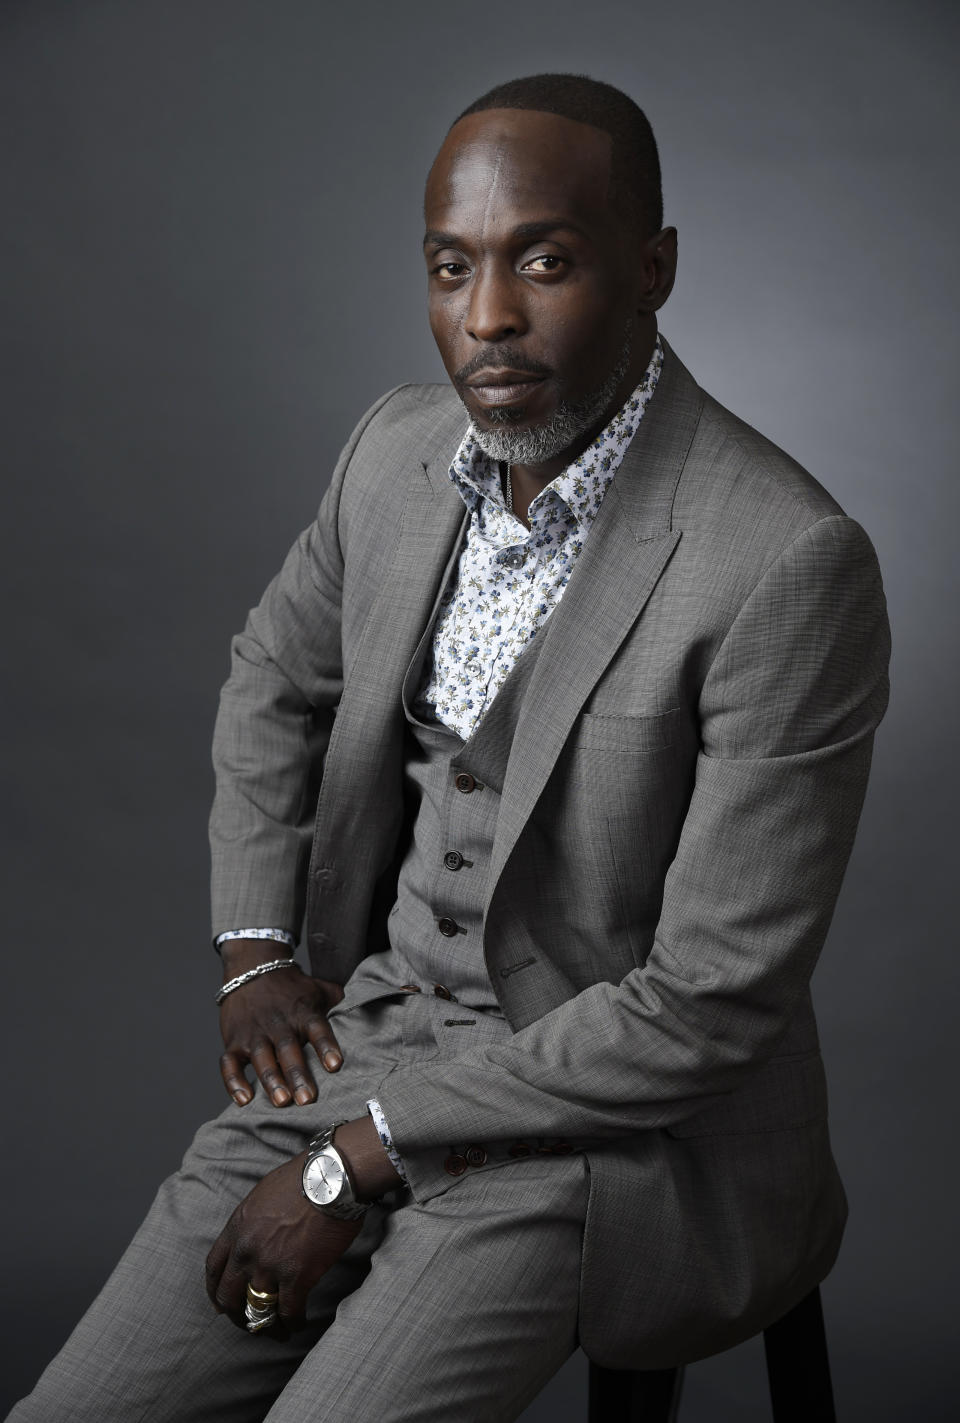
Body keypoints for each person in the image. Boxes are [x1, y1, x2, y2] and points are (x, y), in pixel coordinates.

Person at [10, 73, 890, 1423]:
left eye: (546, 261)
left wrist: (354, 1160)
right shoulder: (396, 453)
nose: (486, 318)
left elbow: (707, 1005)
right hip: (364, 1044)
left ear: (652, 269)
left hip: (600, 1135)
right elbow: (272, 678)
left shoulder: (784, 562)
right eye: (452, 266)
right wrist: (254, 951)